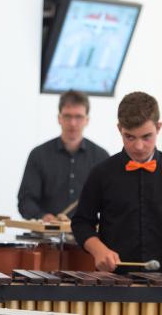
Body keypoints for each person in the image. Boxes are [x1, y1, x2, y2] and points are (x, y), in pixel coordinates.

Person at [71, 91, 162, 273]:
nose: (138, 146)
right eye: (130, 137)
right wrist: (98, 250)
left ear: (158, 127)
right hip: (113, 281)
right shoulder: (101, 173)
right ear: (120, 129)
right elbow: (81, 223)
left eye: (146, 136)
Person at [18, 90, 109, 222]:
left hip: (87, 238)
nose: (73, 123)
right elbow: (26, 201)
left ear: (87, 120)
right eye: (67, 116)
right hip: (46, 237)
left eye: (78, 117)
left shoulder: (101, 157)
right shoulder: (38, 155)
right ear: (59, 118)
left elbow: (110, 202)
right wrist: (42, 216)